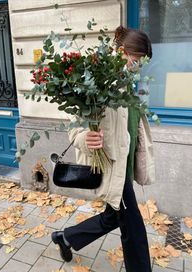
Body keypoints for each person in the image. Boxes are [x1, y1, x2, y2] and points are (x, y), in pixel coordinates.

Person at [51, 26, 153, 272]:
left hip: (124, 166)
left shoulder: (128, 86)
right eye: (137, 60)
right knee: (134, 229)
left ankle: (66, 238)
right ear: (121, 52)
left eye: (143, 62)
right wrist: (86, 138)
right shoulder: (98, 83)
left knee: (112, 217)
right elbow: (75, 127)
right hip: (110, 166)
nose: (139, 66)